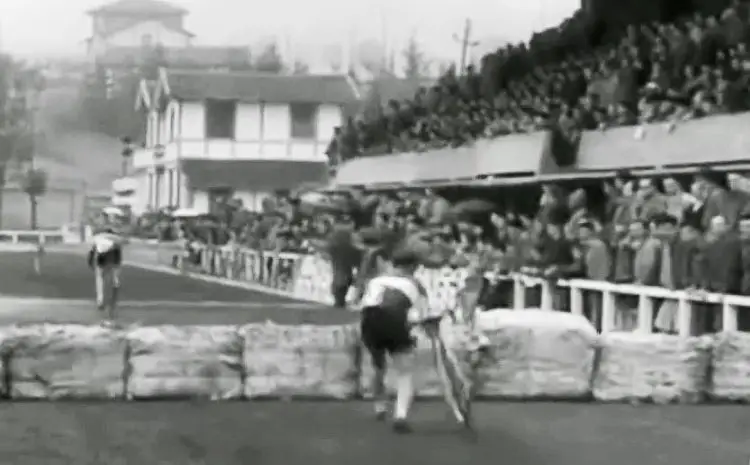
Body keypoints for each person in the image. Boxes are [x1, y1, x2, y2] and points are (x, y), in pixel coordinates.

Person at [358, 246, 432, 433]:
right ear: (414, 267)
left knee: (378, 366)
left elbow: (363, 303)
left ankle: (379, 406)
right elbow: (422, 315)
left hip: (370, 321)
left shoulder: (375, 281)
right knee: (405, 371)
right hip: (394, 322)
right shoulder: (416, 285)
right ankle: (400, 416)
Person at [88, 208, 126, 315]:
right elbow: (121, 242)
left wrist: (91, 256)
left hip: (107, 255)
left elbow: (94, 243)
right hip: (112, 255)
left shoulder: (100, 229)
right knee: (110, 278)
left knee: (103, 278)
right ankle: (107, 299)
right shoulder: (116, 229)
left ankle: (102, 299)